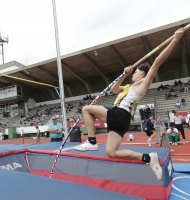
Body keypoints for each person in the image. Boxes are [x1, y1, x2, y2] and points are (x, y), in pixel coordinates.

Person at [73, 27, 185, 181]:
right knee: (111, 152)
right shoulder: (128, 87)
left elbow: (158, 62)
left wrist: (175, 39)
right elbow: (113, 89)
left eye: (135, 72)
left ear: (142, 74)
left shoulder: (143, 84)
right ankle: (148, 158)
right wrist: (124, 74)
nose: (133, 74)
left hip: (120, 113)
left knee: (87, 109)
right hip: (122, 121)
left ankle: (92, 142)